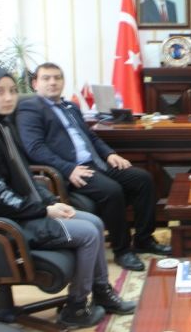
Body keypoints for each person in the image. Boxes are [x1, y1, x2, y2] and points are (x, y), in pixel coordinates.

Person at [0, 66, 136, 328]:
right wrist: (43, 211)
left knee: (95, 222)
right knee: (89, 233)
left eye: (12, 90)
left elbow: (24, 177)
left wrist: (49, 201)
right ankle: (76, 308)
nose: (8, 98)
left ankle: (101, 292)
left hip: (17, 213)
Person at [16, 62, 171, 273]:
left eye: (57, 78)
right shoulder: (30, 109)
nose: (53, 82)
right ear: (35, 83)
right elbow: (35, 148)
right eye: (46, 78)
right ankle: (122, 250)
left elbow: (91, 137)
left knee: (143, 179)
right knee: (112, 191)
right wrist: (68, 169)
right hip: (70, 170)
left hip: (96, 163)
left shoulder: (70, 107)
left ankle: (144, 239)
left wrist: (110, 154)